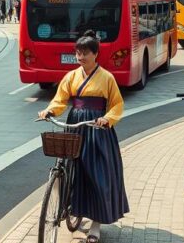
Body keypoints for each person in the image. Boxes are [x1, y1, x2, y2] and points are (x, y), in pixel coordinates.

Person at [38, 31, 129, 243]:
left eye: (85, 53)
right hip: (75, 125)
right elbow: (60, 99)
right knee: (73, 170)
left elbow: (117, 104)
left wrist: (107, 118)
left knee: (98, 174)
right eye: (78, 53)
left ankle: (96, 223)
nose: (80, 57)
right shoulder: (71, 76)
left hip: (97, 128)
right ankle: (72, 208)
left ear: (96, 54)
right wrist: (49, 111)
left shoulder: (107, 77)